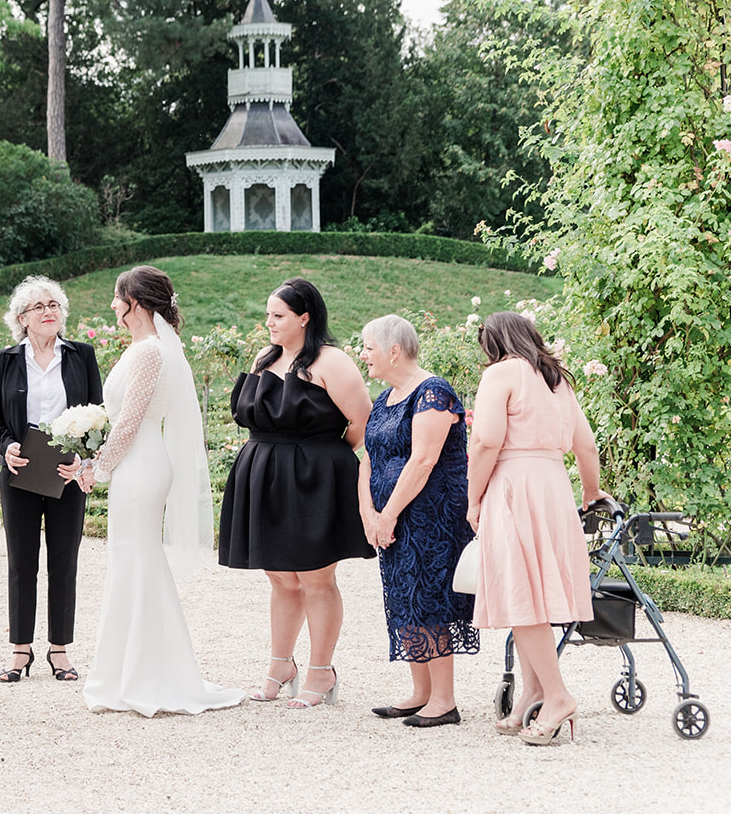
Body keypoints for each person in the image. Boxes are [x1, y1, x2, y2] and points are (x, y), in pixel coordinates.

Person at [77, 266, 244, 717]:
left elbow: (130, 420)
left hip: (142, 464)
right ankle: (128, 670)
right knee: (132, 560)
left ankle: (145, 675)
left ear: (136, 302)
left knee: (137, 560)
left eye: (117, 297)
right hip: (136, 460)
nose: (112, 305)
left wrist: (99, 468)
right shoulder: (143, 349)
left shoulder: (150, 351)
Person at [217, 278, 373, 710]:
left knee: (316, 578)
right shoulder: (264, 358)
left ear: (304, 318)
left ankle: (321, 671)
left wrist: (322, 461)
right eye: (268, 314)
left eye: (278, 315)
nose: (269, 322)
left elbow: (362, 421)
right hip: (263, 473)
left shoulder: (331, 361)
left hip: (314, 477)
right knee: (281, 578)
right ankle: (280, 666)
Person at [468, 311, 610, 746]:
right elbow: (585, 443)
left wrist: (472, 498)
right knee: (533, 593)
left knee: (520, 592)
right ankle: (533, 691)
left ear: (493, 342)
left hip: (514, 484)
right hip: (552, 486)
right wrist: (592, 493)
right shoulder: (556, 379)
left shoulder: (500, 374)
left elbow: (487, 440)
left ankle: (559, 695)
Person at [0, 276, 103, 684]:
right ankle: (20, 650)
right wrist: (6, 447)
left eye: (54, 304)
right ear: (22, 318)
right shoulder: (6, 359)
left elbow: (98, 413)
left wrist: (83, 460)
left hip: (66, 470)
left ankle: (60, 650)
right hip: (20, 469)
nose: (49, 311)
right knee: (22, 561)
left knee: (64, 560)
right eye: (40, 306)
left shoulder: (82, 356)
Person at [358, 314, 477, 728]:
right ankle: (420, 691)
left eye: (368, 346)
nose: (362, 354)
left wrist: (388, 513)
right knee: (403, 594)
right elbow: (369, 458)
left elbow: (423, 459)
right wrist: (369, 514)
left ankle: (444, 700)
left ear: (394, 350)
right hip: (390, 518)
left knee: (429, 595)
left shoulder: (433, 393)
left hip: (430, 515)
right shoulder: (384, 398)